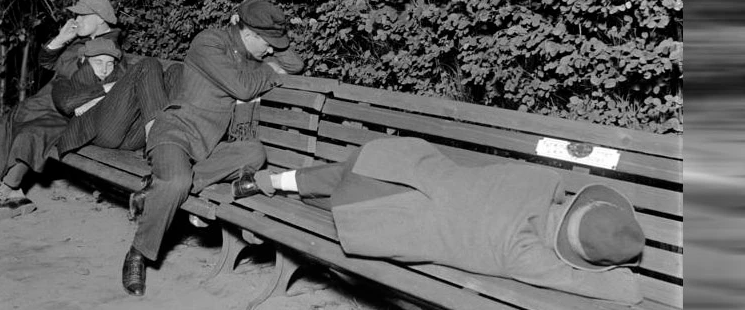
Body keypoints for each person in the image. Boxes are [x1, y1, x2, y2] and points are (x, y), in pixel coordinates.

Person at [231, 137, 646, 305]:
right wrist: (621, 272)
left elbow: (538, 188)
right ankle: (284, 187)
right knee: (342, 203)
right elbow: (585, 283)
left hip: (393, 161)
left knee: (341, 175)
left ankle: (268, 181)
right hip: (375, 217)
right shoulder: (523, 255)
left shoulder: (541, 179)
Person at [120, 0, 305, 296]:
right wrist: (271, 72)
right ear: (250, 34)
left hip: (210, 146)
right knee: (178, 180)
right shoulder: (208, 43)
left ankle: (156, 188)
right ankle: (138, 253)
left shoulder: (252, 51)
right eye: (267, 43)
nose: (271, 51)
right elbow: (243, 88)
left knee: (254, 152)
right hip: (175, 133)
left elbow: (295, 65)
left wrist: (275, 45)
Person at [0, 0, 168, 221]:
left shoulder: (106, 46)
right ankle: (8, 190)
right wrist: (61, 38)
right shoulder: (82, 40)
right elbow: (47, 62)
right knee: (1, 126)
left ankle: (8, 191)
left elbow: (101, 85)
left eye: (83, 15)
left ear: (100, 18)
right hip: (53, 101)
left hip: (71, 111)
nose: (77, 20)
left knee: (32, 133)